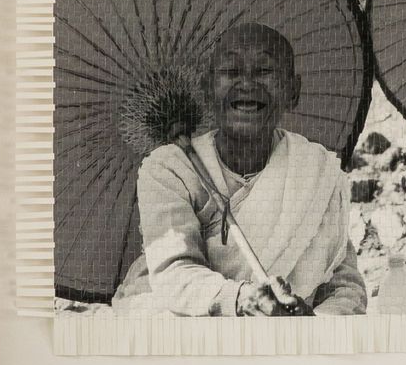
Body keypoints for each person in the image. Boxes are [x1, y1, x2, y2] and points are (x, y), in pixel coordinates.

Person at [115, 21, 368, 316]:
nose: (247, 83)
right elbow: (175, 272)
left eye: (264, 71)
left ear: (293, 91)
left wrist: (310, 324)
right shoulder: (170, 168)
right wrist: (242, 299)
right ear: (207, 90)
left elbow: (345, 287)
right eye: (231, 71)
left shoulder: (314, 171)